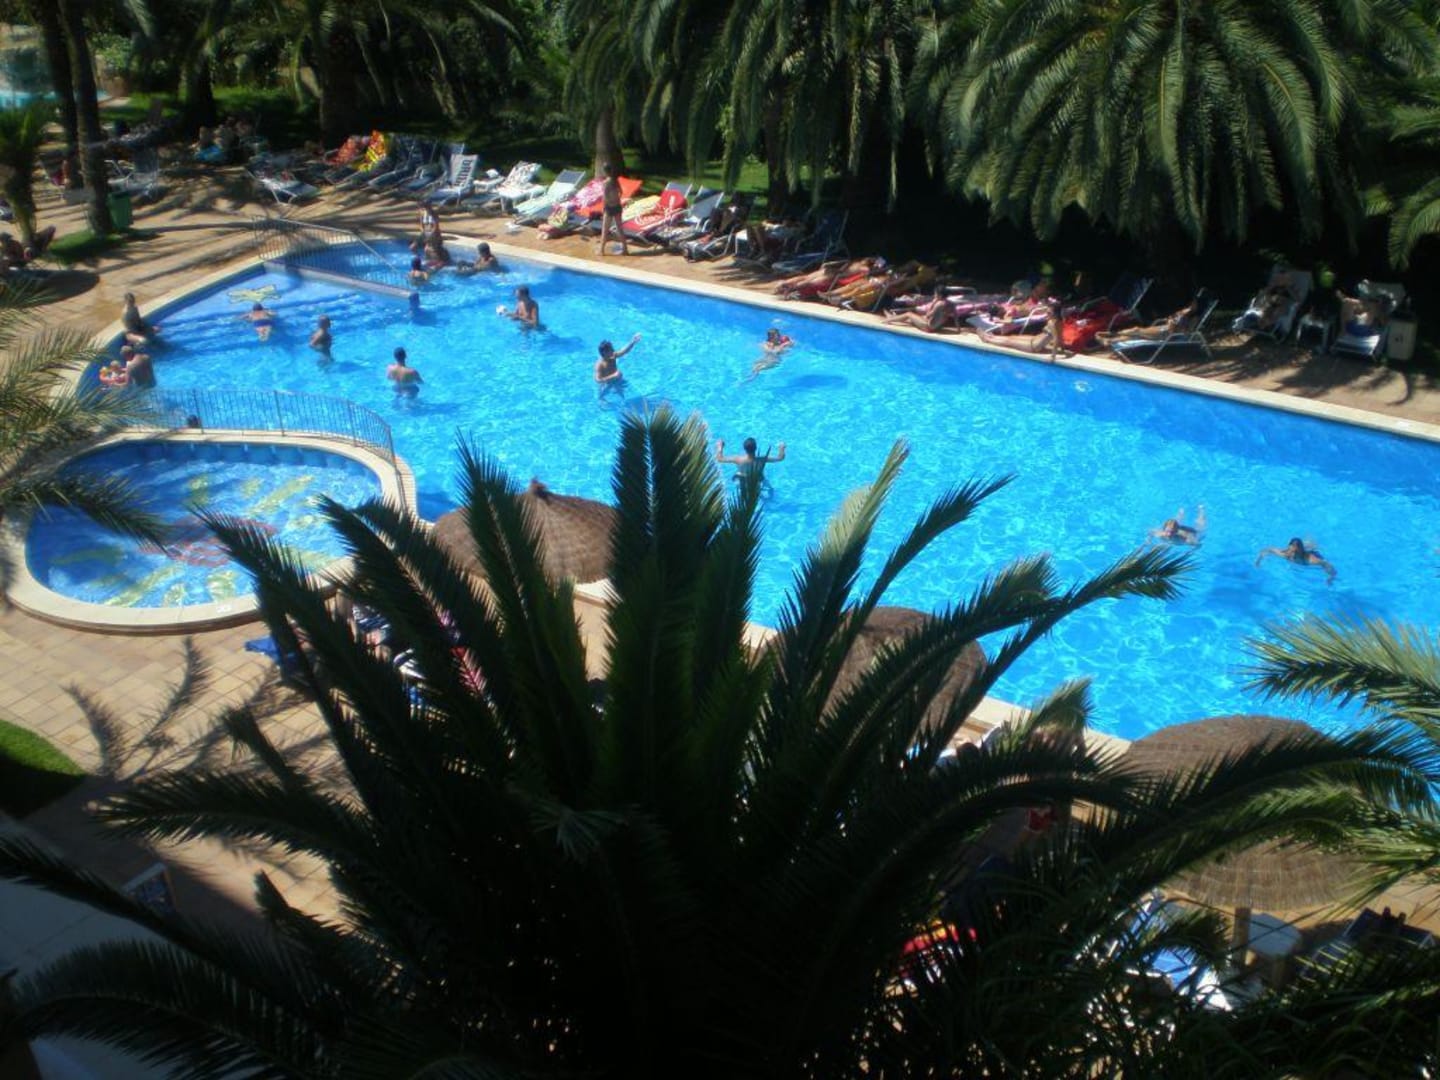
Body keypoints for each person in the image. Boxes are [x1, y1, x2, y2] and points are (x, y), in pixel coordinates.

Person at [980, 296, 1063, 358]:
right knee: (1012, 337)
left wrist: (1053, 356)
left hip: (1034, 345)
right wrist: (1062, 348)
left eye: (1049, 312)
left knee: (1009, 342)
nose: (1047, 313)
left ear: (1055, 312)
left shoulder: (1052, 323)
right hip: (1035, 339)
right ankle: (991, 337)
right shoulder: (1059, 321)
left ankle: (988, 339)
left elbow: (1056, 339)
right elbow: (1060, 336)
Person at [1097, 297, 1203, 346]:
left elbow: (1187, 332)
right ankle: (1110, 339)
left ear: (1197, 307)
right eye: (1191, 303)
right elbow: (1170, 318)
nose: (1191, 305)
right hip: (1163, 328)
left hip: (1168, 334)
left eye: (1194, 304)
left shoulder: (1194, 318)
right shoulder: (1185, 311)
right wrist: (1171, 320)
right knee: (1136, 334)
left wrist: (1173, 325)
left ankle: (1110, 335)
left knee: (1136, 331)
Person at [1255, 537, 1336, 584]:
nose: (1292, 555)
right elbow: (1268, 549)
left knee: (1313, 547)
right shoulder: (1286, 554)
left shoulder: (1309, 560)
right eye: (1291, 551)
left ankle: (1310, 543)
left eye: (1295, 552)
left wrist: (1330, 577)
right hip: (1299, 550)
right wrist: (1258, 560)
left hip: (1312, 553)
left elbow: (1327, 564)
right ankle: (1306, 543)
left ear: (1300, 552)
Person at [715, 437, 786, 480]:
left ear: (744, 449)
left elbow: (720, 459)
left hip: (743, 478)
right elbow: (780, 458)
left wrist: (720, 446)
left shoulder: (738, 459)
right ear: (756, 448)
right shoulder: (762, 460)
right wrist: (781, 448)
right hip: (758, 479)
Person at [598, 163, 628, 257]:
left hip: (609, 207)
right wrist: (616, 200)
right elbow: (620, 192)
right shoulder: (615, 181)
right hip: (617, 206)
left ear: (605, 171)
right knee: (620, 228)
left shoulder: (605, 183)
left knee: (605, 229)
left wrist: (605, 206)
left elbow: (605, 197)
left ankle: (601, 250)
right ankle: (625, 249)